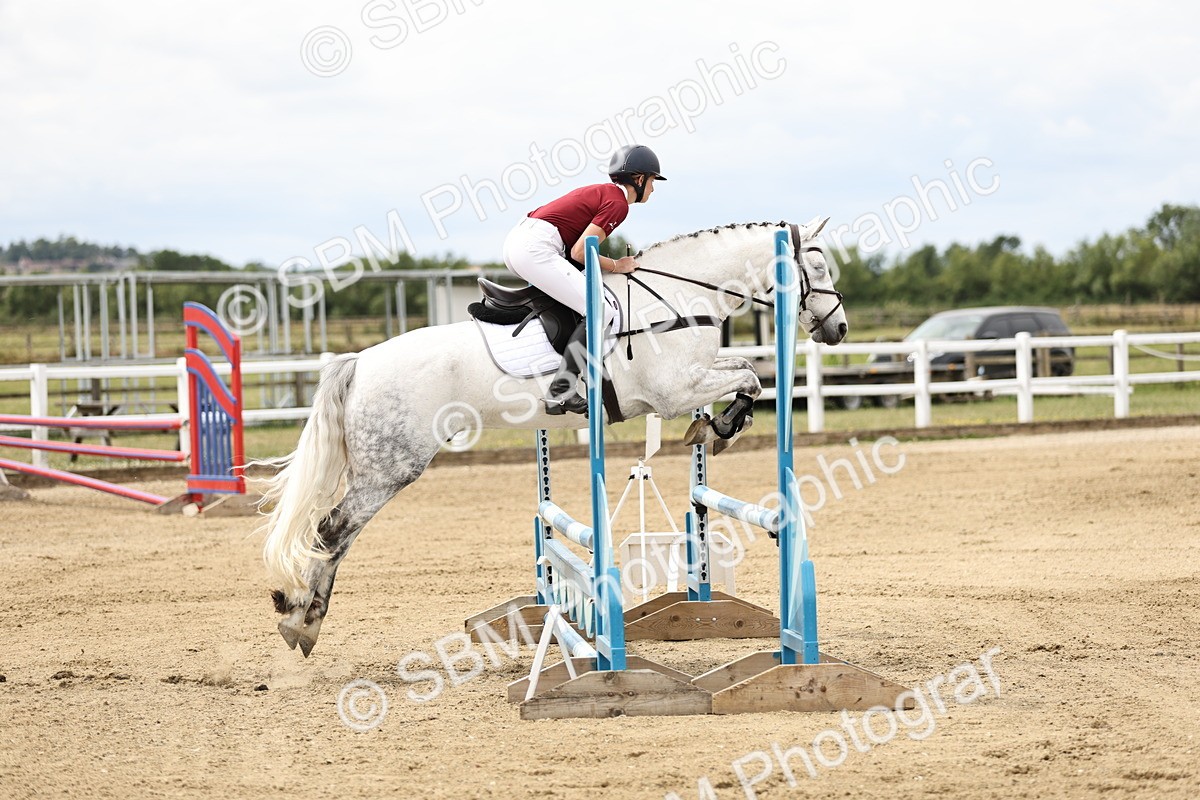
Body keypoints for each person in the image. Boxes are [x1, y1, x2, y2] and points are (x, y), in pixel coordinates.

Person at [503, 144, 666, 414]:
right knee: (601, 309)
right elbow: (581, 253)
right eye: (652, 181)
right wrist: (617, 265)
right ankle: (561, 390)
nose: (653, 188)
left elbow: (575, 251)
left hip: (522, 242)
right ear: (638, 179)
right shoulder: (618, 204)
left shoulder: (604, 193)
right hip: (536, 247)